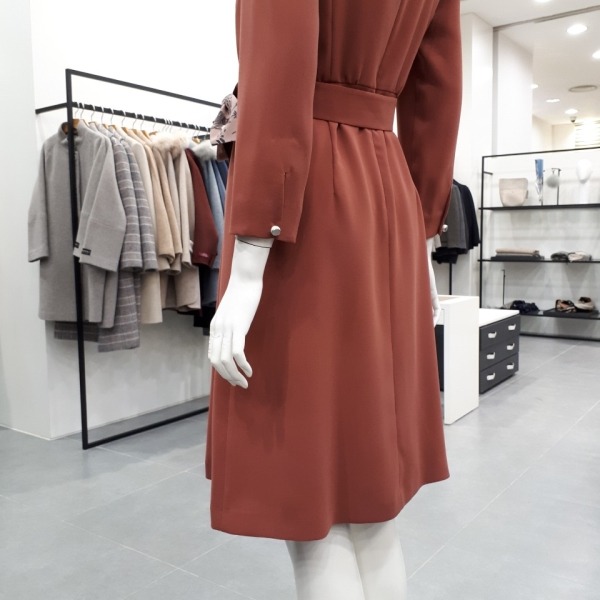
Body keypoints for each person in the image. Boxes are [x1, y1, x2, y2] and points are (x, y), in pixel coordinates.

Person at [206, 1, 462, 597]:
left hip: (306, 196)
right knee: (367, 501)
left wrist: (251, 256)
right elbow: (438, 92)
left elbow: (278, 71)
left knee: (312, 506)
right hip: (386, 189)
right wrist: (422, 232)